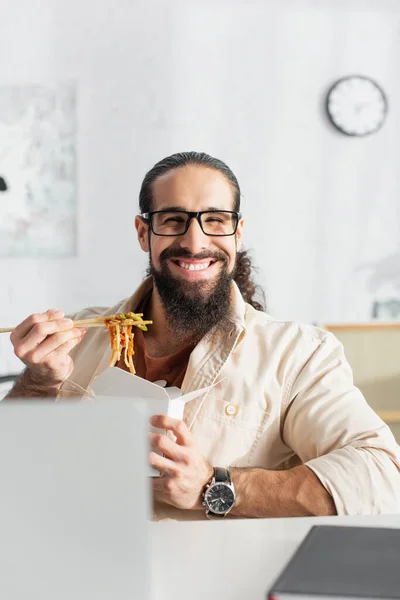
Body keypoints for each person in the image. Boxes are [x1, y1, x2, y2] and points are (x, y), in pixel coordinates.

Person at [6, 152, 400, 521]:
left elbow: (383, 476)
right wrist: (36, 385)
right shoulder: (76, 339)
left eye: (215, 219)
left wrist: (215, 486)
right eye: (173, 220)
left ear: (237, 232)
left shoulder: (299, 355)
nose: (195, 242)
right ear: (144, 233)